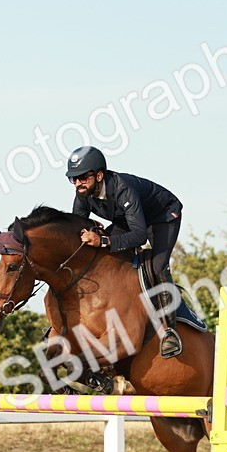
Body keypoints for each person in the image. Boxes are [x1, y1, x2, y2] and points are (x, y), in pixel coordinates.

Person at [66, 146, 185, 359]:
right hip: (130, 221)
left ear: (99, 175)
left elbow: (139, 236)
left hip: (162, 216)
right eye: (73, 179)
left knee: (157, 266)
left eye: (82, 178)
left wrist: (103, 240)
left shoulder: (123, 189)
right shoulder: (83, 194)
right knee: (104, 256)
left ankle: (169, 331)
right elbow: (77, 228)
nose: (77, 184)